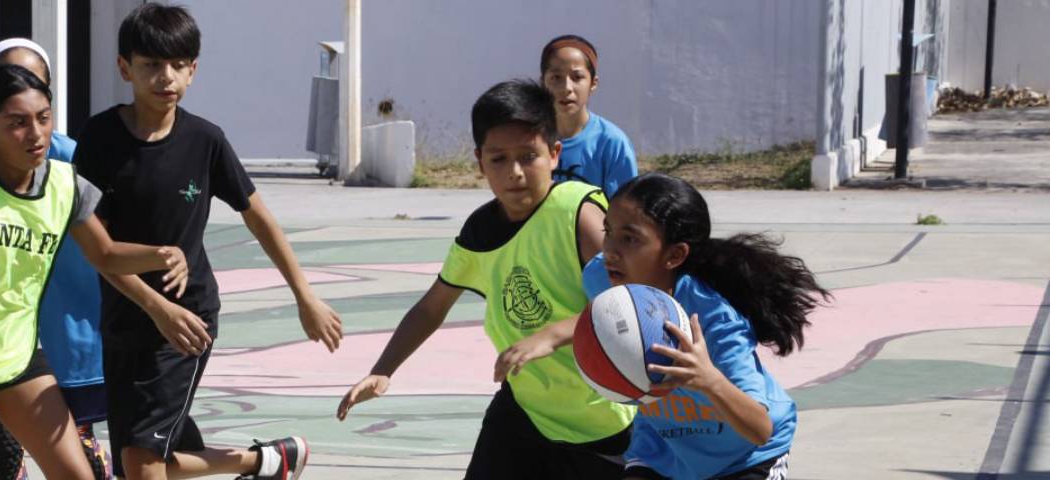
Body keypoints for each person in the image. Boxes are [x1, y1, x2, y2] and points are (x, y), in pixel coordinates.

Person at [0, 64, 189, 479]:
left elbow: (106, 254)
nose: (36, 134)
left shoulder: (65, 185)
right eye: (18, 123)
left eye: (43, 118)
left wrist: (162, 254)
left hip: (15, 349)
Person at [72, 4, 343, 479]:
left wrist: (305, 296)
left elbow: (260, 220)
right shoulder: (99, 138)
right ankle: (267, 461)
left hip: (187, 321)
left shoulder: (205, 141)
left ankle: (268, 462)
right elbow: (101, 249)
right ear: (124, 68)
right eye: (151, 64)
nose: (166, 77)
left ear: (193, 70)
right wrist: (153, 305)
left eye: (178, 65)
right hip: (124, 316)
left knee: (141, 462)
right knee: (145, 459)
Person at [336, 80, 636, 479]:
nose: (515, 172)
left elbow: (630, 304)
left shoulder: (578, 213)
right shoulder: (480, 232)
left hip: (604, 421)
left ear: (554, 153)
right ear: (480, 161)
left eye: (528, 156)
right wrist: (383, 369)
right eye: (499, 159)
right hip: (525, 412)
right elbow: (431, 308)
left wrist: (551, 335)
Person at [508, 173, 825, 479]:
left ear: (674, 255)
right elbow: (613, 320)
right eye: (608, 231)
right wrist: (552, 335)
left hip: (745, 456)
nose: (610, 250)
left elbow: (760, 429)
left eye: (629, 238)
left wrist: (709, 380)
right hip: (665, 451)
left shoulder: (713, 319)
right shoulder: (601, 277)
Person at [0, 37, 112, 480]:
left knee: (76, 446)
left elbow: (107, 245)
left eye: (34, 82)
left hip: (67, 327)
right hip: (2, 331)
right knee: (5, 446)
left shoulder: (73, 159)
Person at [539, 34, 637, 196]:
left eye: (577, 77)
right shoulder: (529, 138)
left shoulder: (612, 144)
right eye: (556, 77)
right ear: (543, 82)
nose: (566, 88)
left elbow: (625, 207)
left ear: (593, 83)